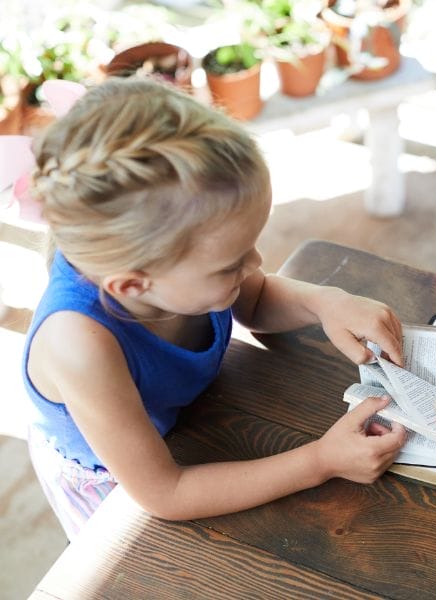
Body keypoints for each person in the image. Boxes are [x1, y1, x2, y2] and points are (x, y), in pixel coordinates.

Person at [20, 78, 407, 539]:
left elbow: (258, 298)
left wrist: (327, 302)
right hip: (121, 481)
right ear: (133, 284)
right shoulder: (78, 346)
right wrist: (320, 460)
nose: (256, 264)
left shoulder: (170, 263)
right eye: (231, 264)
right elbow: (166, 493)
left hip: (191, 424)